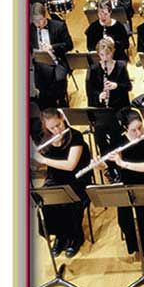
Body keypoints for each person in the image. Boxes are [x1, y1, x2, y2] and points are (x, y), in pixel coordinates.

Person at [104, 109, 144, 259]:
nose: (138, 133)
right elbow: (111, 167)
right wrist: (101, 165)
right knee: (124, 220)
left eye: (140, 127)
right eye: (134, 130)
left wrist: (123, 163)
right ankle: (133, 246)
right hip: (126, 184)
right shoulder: (118, 142)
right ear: (125, 128)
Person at [31, 107, 91, 257]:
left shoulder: (75, 136)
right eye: (52, 128)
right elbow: (39, 165)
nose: (57, 130)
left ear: (62, 119)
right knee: (47, 202)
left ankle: (75, 237)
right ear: (46, 127)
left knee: (69, 202)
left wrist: (43, 160)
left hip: (76, 179)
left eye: (58, 125)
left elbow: (70, 165)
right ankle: (60, 236)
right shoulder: (46, 138)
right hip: (55, 178)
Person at [86, 37, 132, 152]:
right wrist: (99, 95)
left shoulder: (121, 66)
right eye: (102, 55)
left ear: (113, 52)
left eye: (108, 54)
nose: (105, 58)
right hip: (102, 109)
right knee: (99, 132)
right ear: (98, 54)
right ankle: (106, 157)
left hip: (119, 107)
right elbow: (90, 92)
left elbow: (128, 86)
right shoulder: (93, 69)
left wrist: (116, 86)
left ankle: (117, 155)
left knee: (114, 128)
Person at [30, 2, 72, 107]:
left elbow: (69, 45)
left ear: (45, 16)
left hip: (57, 61)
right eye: (35, 21)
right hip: (39, 64)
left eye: (40, 20)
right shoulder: (31, 29)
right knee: (37, 83)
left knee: (58, 79)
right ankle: (47, 105)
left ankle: (60, 102)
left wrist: (52, 47)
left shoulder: (59, 26)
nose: (38, 24)